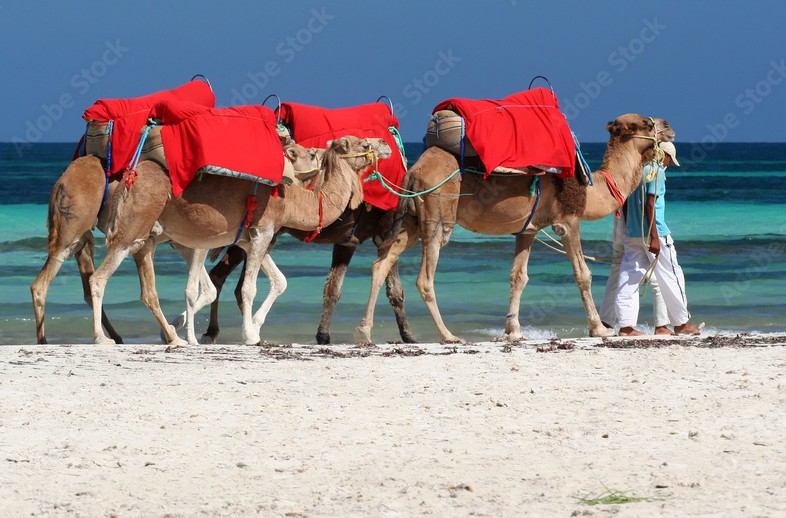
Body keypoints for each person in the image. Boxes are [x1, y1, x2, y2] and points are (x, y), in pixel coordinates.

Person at [613, 141, 703, 335]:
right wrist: (654, 237)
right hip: (657, 233)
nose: (668, 165)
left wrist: (630, 227)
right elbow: (650, 205)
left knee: (629, 277)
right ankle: (682, 324)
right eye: (669, 161)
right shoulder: (656, 171)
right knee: (672, 275)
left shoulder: (634, 170)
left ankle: (626, 327)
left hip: (633, 233)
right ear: (665, 156)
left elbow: (624, 202)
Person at [599, 213, 673, 336]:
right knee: (657, 274)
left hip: (621, 220)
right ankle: (661, 325)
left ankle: (605, 323)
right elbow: (648, 204)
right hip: (638, 224)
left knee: (618, 273)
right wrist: (654, 236)